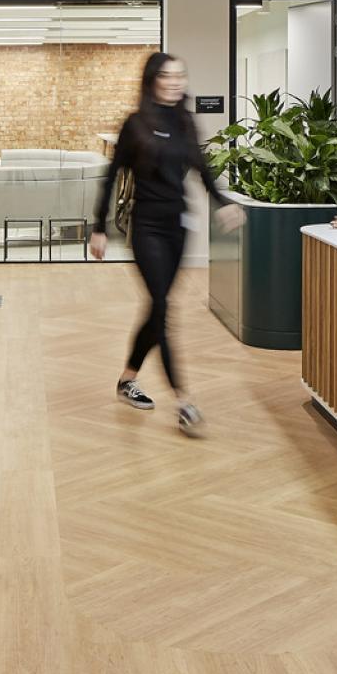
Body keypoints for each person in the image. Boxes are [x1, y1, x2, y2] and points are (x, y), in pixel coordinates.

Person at [90, 52, 245, 436]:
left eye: (180, 75)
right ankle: (184, 401)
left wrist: (223, 203)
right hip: (145, 228)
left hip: (178, 227)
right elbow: (111, 178)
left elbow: (202, 169)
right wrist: (97, 227)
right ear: (153, 80)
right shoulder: (135, 125)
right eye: (168, 76)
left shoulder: (185, 121)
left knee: (156, 309)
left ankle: (128, 378)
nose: (176, 82)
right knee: (162, 309)